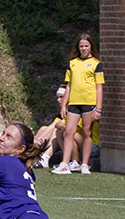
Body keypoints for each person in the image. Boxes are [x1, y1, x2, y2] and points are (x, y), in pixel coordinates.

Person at [52, 33, 104, 175]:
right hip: (74, 103)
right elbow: (68, 86)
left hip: (89, 102)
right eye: (81, 46)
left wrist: (98, 108)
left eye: (86, 46)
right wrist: (64, 105)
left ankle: (85, 165)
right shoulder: (72, 63)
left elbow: (99, 87)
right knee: (69, 132)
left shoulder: (96, 64)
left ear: (91, 47)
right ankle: (65, 164)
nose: (83, 48)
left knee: (87, 132)